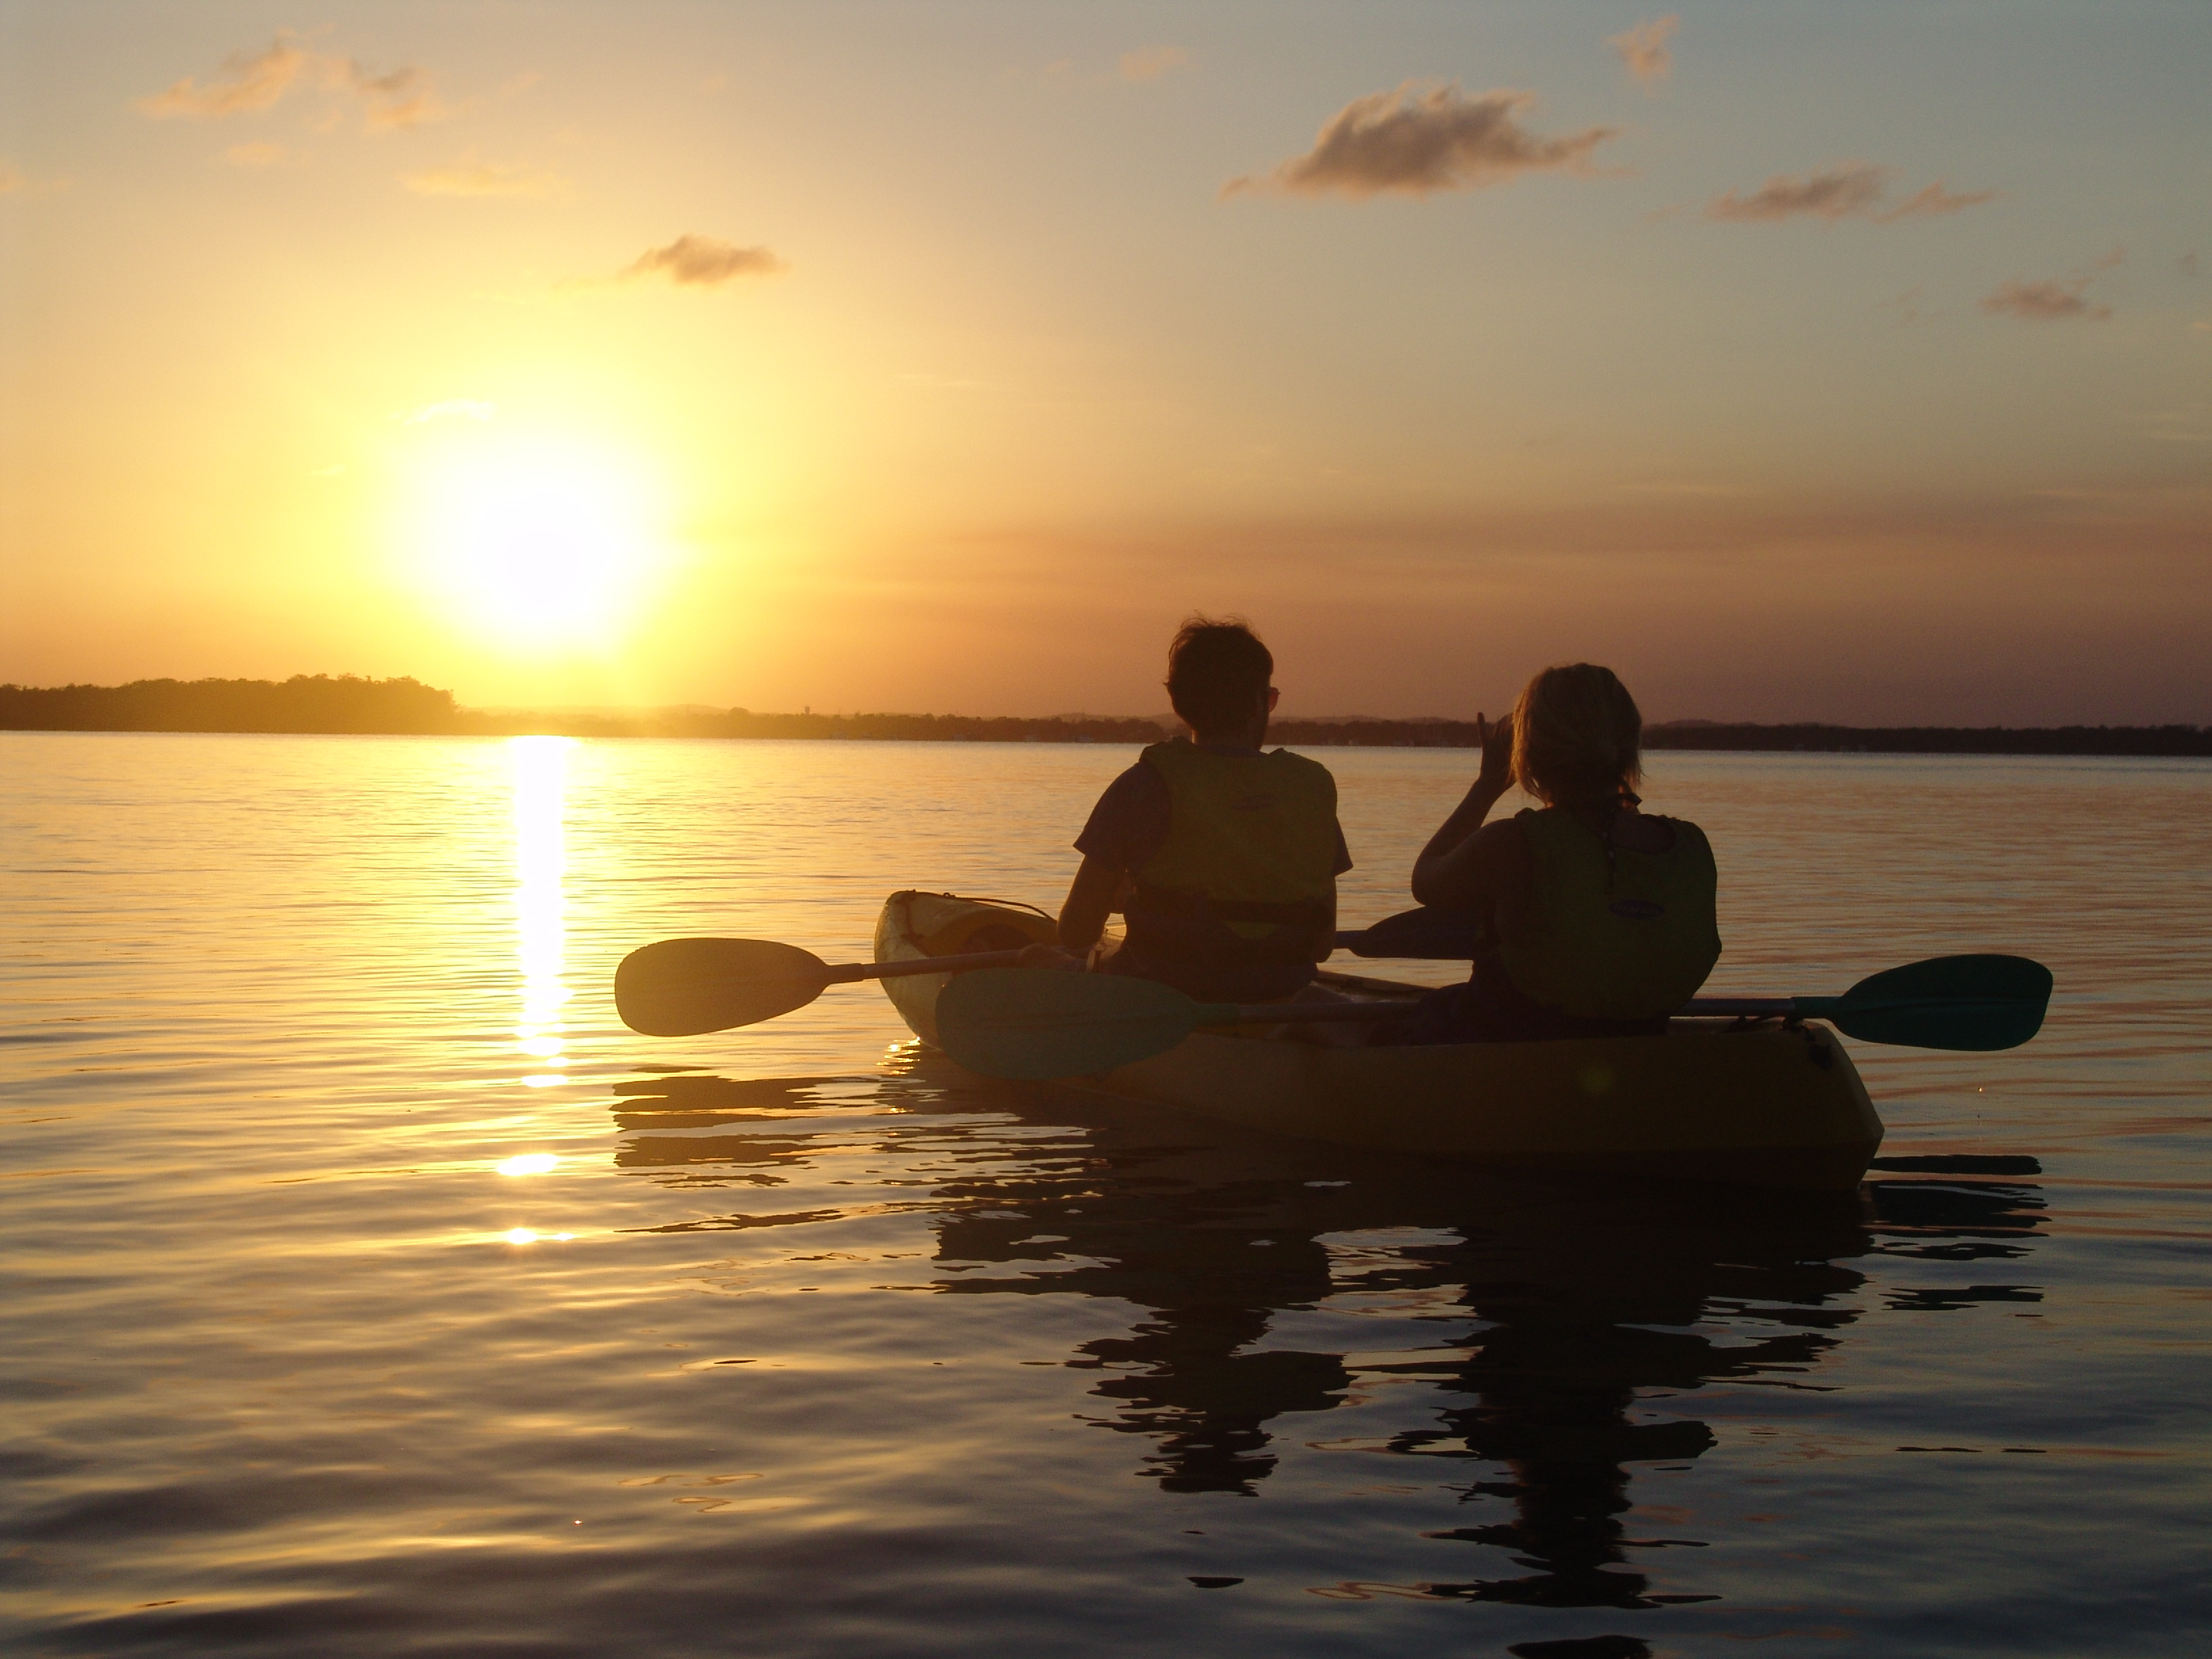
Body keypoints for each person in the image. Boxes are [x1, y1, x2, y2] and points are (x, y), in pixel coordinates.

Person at [1028, 616, 1352, 1004]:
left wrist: (1128, 896)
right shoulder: (1311, 789)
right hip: (1281, 990)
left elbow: (1077, 932)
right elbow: (1321, 946)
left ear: (1179, 704)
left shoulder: (1143, 785)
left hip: (1164, 992)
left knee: (1035, 957)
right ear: (1261, 703)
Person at [1397, 662, 1720, 1042]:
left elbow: (1427, 882)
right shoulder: (1690, 846)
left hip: (1511, 1057)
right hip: (1641, 1046)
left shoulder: (1513, 844)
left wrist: (1488, 784)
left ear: (1528, 750)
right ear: (1630, 746)